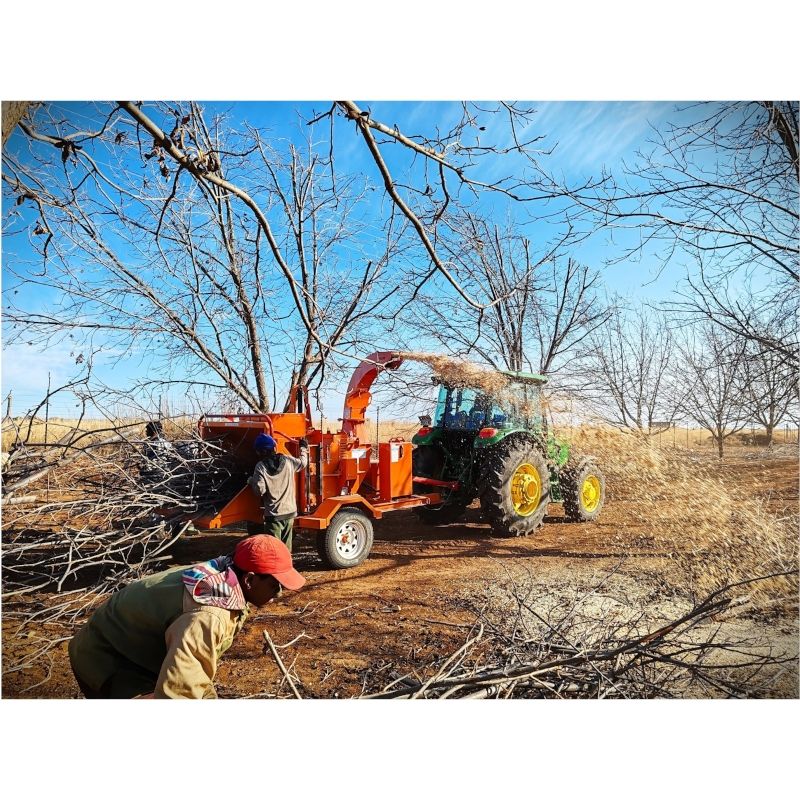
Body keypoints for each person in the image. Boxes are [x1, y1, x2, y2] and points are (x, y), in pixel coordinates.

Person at [68, 535, 305, 699]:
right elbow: (179, 692)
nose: (280, 592)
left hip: (137, 648)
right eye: (275, 584)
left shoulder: (225, 576)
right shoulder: (209, 614)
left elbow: (197, 672)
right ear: (250, 580)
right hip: (109, 657)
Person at [247, 433, 308, 552]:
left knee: (274, 550)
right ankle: (287, 568)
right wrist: (303, 448)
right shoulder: (287, 460)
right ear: (274, 448)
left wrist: (250, 481)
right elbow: (303, 463)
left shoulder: (260, 467)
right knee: (286, 549)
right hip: (290, 512)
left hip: (274, 516)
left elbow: (259, 490)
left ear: (259, 452)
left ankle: (276, 570)